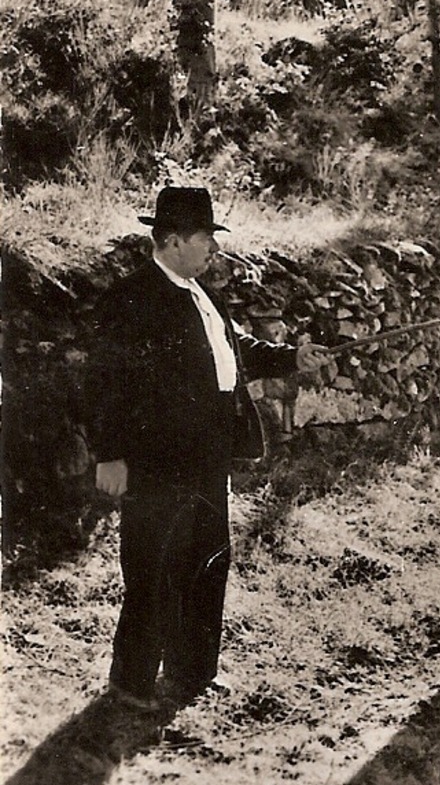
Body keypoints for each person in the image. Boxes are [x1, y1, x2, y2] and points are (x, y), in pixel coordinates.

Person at [90, 187, 330, 710]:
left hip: (207, 455)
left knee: (207, 562)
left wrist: (293, 357)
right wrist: (109, 454)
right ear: (173, 241)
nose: (213, 251)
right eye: (205, 240)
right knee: (152, 569)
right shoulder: (132, 298)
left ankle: (193, 670)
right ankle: (130, 684)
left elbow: (235, 350)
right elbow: (103, 382)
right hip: (157, 460)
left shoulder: (202, 294)